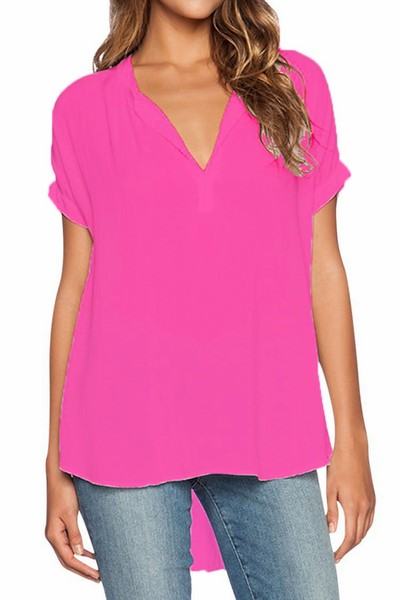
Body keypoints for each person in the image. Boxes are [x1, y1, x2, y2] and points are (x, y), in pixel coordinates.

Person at [44, 1, 376, 598]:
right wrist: (55, 461)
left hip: (269, 423)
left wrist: (351, 436)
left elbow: (323, 265)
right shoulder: (84, 108)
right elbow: (75, 287)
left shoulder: (292, 85)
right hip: (123, 428)